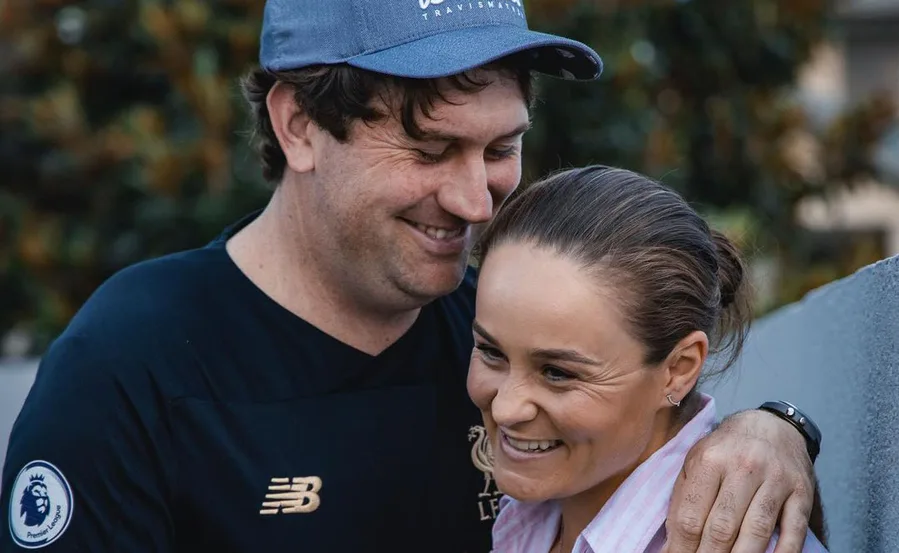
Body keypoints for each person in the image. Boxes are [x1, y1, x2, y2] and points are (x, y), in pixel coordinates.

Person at [1, 1, 822, 552]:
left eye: (500, 149)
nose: (474, 200)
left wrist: (773, 429)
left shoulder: (505, 340)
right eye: (429, 150)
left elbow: (646, 427)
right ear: (298, 125)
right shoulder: (134, 363)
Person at [467, 165, 828, 553]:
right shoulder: (529, 516)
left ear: (678, 369)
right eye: (491, 352)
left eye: (557, 372)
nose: (505, 409)